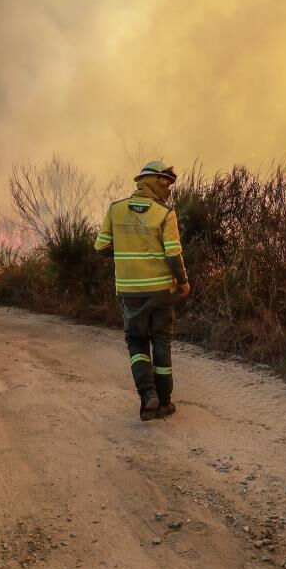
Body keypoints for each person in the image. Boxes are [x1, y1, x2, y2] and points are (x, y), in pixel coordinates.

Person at [94, 161, 190, 421]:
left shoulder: (116, 210)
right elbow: (173, 253)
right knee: (161, 342)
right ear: (155, 181)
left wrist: (126, 254)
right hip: (161, 290)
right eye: (167, 183)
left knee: (136, 343)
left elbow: (100, 247)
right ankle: (165, 402)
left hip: (129, 291)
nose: (169, 188)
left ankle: (148, 395)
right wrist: (183, 281)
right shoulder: (165, 213)